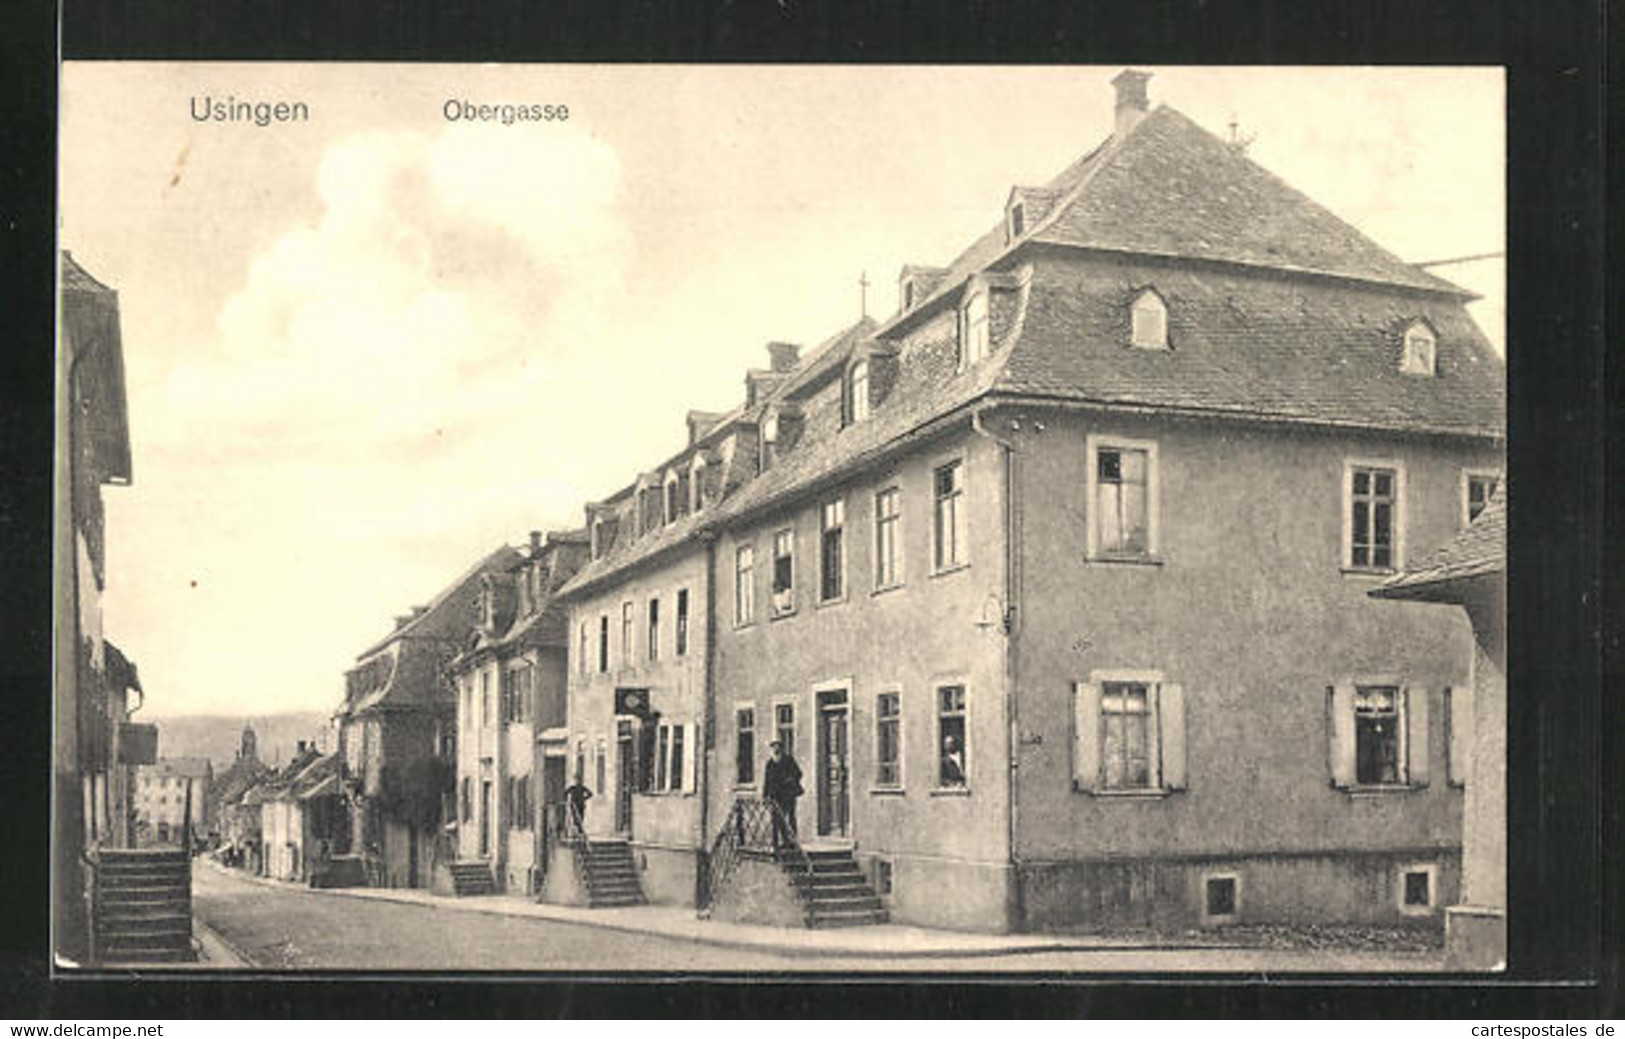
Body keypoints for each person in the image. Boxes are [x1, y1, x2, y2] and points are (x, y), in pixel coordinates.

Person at [762, 739, 803, 851]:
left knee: (790, 818)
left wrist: (789, 780)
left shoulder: (788, 760)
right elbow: (766, 781)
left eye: (778, 748)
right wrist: (765, 796)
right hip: (775, 796)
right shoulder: (770, 763)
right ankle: (778, 842)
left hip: (787, 794)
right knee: (776, 819)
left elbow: (798, 773)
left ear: (781, 749)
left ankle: (793, 842)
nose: (776, 750)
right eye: (773, 748)